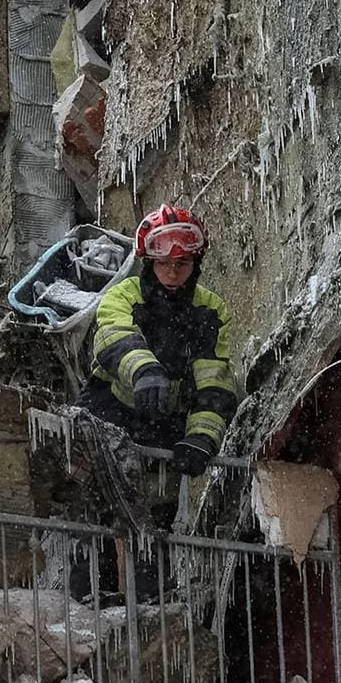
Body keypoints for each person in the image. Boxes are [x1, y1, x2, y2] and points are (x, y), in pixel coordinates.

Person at [84, 203, 238, 477]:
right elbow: (114, 338)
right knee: (88, 487)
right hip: (109, 409)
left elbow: (213, 384)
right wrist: (145, 371)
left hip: (166, 426)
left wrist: (202, 437)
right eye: (164, 263)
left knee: (156, 511)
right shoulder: (123, 295)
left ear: (196, 263)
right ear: (150, 262)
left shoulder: (211, 312)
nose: (172, 272)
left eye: (182, 264)